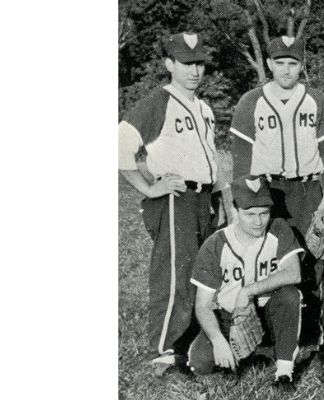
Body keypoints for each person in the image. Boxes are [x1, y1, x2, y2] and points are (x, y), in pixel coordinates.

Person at [118, 32, 226, 376]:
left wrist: (224, 199)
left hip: (203, 197)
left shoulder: (204, 108)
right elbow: (121, 144)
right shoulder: (158, 101)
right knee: (174, 273)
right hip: (175, 198)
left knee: (201, 272)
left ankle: (189, 344)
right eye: (186, 63)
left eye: (199, 63)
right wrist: (149, 189)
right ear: (169, 64)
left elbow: (210, 158)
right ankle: (165, 351)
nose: (194, 70)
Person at [228, 34, 324, 355]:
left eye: (293, 63)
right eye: (280, 63)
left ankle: (309, 332)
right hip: (267, 189)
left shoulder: (317, 99)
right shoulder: (251, 101)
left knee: (312, 256)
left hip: (308, 187)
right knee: (270, 256)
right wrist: (243, 203)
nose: (287, 70)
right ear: (269, 64)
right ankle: (271, 329)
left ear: (302, 66)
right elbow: (241, 158)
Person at [188, 176, 311, 390]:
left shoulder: (278, 229)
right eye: (250, 214)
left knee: (290, 295)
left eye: (264, 213)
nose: (258, 221)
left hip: (269, 314)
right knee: (201, 362)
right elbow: (202, 305)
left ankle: (284, 372)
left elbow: (294, 273)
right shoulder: (215, 244)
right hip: (230, 317)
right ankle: (259, 353)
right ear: (235, 211)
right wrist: (218, 340)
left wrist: (249, 290)